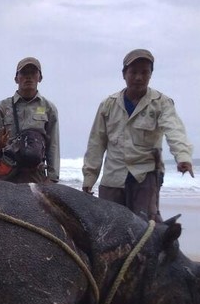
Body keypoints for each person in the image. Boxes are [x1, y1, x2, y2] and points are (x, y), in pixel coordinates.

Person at [82, 48, 194, 222]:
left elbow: (174, 130)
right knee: (107, 227)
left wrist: (183, 157)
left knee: (146, 229)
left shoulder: (161, 103)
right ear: (124, 74)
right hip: (113, 177)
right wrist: (89, 178)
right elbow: (96, 143)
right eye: (133, 72)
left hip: (145, 177)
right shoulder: (108, 105)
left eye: (144, 72)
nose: (138, 77)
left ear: (151, 74)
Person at [0, 57, 60, 183]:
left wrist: (52, 178)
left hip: (36, 175)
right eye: (24, 73)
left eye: (33, 73)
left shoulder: (49, 108)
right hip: (7, 175)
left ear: (40, 77)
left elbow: (53, 145)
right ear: (16, 78)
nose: (29, 77)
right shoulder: (2, 107)